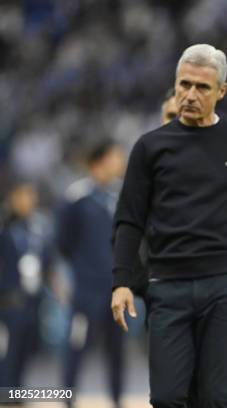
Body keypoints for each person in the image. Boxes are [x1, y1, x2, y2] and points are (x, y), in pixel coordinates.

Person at [111, 44, 227, 408]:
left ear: (222, 91)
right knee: (167, 397)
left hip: (225, 285)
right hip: (167, 288)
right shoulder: (150, 147)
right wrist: (122, 280)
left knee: (217, 399)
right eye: (184, 84)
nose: (190, 94)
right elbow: (129, 220)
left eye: (202, 87)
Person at [57, 140, 127, 408]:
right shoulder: (76, 199)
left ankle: (117, 400)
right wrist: (72, 277)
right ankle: (66, 400)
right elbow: (63, 244)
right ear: (99, 162)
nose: (119, 163)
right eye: (115, 158)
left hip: (115, 290)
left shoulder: (120, 196)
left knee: (116, 352)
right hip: (85, 293)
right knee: (76, 349)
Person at [0, 181, 51, 389]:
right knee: (7, 351)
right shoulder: (4, 227)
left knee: (26, 349)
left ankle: (17, 392)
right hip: (8, 300)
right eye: (22, 196)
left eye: (31, 196)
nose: (28, 201)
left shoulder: (37, 227)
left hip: (31, 297)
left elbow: (48, 259)